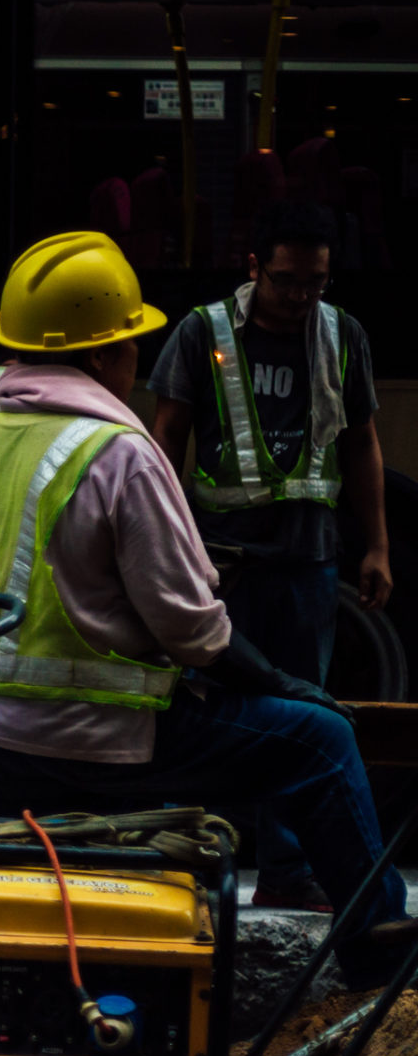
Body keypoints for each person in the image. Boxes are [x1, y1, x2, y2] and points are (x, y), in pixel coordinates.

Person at [0, 231, 407, 983]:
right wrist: (283, 684)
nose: (140, 367)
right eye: (131, 346)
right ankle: (381, 958)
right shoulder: (116, 452)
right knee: (320, 740)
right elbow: (192, 631)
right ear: (100, 357)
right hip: (105, 735)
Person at [150, 200, 390, 911]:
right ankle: (193, 859)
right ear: (253, 268)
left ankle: (286, 872)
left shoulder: (343, 335)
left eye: (315, 282)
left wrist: (375, 543)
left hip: (307, 562)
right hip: (221, 563)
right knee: (207, 712)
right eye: (286, 281)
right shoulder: (202, 332)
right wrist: (166, 544)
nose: (299, 298)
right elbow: (165, 440)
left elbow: (361, 441)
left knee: (299, 713)